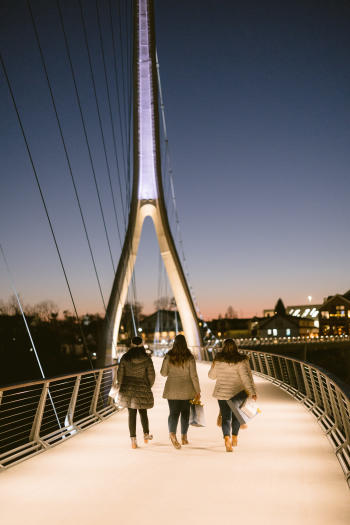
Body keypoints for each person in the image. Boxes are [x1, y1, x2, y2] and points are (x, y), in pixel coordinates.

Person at [208, 338, 257, 452]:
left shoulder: (218, 360)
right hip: (237, 393)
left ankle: (227, 439)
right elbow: (246, 379)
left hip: (222, 393)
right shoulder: (241, 361)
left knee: (226, 418)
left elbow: (211, 376)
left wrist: (214, 364)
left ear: (223, 347)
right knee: (236, 416)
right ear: (236, 348)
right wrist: (252, 392)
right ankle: (235, 438)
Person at [160, 334, 201, 449]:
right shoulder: (189, 357)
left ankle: (172, 435)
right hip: (187, 390)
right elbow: (194, 376)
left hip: (172, 390)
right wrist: (198, 391)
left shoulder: (169, 356)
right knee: (185, 413)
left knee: (173, 413)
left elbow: (163, 373)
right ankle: (184, 437)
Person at [117, 336, 155, 449]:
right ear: (142, 344)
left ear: (131, 344)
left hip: (128, 387)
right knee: (143, 412)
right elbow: (151, 375)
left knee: (131, 414)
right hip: (142, 385)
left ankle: (133, 441)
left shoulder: (125, 357)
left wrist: (121, 385)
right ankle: (146, 435)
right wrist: (148, 385)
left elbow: (120, 374)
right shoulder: (146, 358)